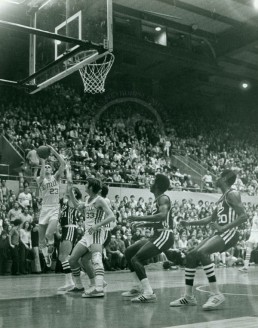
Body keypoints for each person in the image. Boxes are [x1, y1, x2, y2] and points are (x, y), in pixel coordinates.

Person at [170, 169, 247, 310]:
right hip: (220, 232)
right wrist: (189, 223)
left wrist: (224, 228)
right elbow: (210, 219)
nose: (216, 178)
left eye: (219, 176)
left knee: (203, 252)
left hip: (229, 232)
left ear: (224, 179)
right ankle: (188, 297)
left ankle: (216, 293)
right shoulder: (221, 198)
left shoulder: (233, 194)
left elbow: (243, 216)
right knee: (191, 255)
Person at [121, 174, 174, 303]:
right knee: (129, 252)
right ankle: (137, 286)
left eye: (153, 181)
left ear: (157, 185)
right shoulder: (158, 200)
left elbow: (162, 216)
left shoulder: (163, 198)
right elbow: (159, 220)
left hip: (164, 235)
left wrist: (138, 218)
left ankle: (149, 292)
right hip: (157, 234)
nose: (150, 183)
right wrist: (144, 224)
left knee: (136, 259)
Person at [68, 178, 115, 298]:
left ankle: (98, 288)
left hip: (97, 232)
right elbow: (77, 205)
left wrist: (97, 225)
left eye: (86, 183)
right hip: (87, 234)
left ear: (91, 187)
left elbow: (111, 216)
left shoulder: (100, 200)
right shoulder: (87, 199)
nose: (85, 185)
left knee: (97, 259)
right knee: (73, 259)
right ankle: (79, 286)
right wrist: (70, 191)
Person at [36, 145, 65, 267]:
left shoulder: (56, 178)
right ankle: (46, 256)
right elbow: (42, 176)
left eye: (49, 167)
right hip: (44, 208)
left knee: (49, 234)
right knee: (41, 240)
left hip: (54, 207)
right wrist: (43, 161)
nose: (47, 168)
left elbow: (63, 164)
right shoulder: (39, 179)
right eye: (45, 167)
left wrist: (54, 152)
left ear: (52, 170)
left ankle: (51, 244)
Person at [58, 165, 82, 291]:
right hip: (65, 228)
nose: (67, 191)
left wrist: (68, 170)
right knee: (63, 257)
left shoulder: (73, 201)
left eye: (71, 191)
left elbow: (70, 183)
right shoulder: (64, 202)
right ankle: (72, 279)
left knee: (64, 256)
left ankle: (71, 282)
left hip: (70, 228)